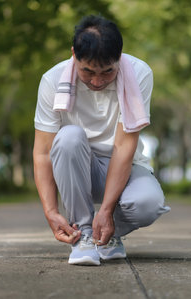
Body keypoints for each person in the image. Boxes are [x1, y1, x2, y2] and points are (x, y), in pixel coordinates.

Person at [33, 15, 170, 266]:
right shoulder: (52, 81)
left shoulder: (138, 73)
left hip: (121, 164)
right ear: (74, 55)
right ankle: (83, 235)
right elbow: (43, 153)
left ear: (120, 57)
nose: (97, 81)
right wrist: (51, 212)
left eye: (108, 71)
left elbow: (123, 146)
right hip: (76, 166)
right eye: (88, 71)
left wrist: (106, 211)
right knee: (68, 137)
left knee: (148, 203)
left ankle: (107, 235)